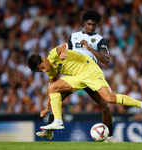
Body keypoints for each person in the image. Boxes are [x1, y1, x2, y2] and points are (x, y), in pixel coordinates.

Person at [27, 43, 142, 140]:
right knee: (52, 87)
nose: (44, 71)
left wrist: (63, 53)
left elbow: (64, 46)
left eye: (42, 67)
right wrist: (46, 107)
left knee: (110, 99)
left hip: (89, 70)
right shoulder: (49, 71)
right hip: (77, 77)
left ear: (43, 59)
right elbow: (52, 86)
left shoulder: (52, 54)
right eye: (40, 71)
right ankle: (58, 121)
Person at [36, 9, 117, 142]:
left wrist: (90, 49)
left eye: (94, 25)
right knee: (57, 96)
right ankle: (49, 131)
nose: (91, 27)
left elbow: (106, 60)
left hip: (90, 74)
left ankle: (110, 137)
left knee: (105, 106)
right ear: (84, 23)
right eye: (89, 24)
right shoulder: (73, 36)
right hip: (75, 74)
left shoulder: (99, 40)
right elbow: (67, 53)